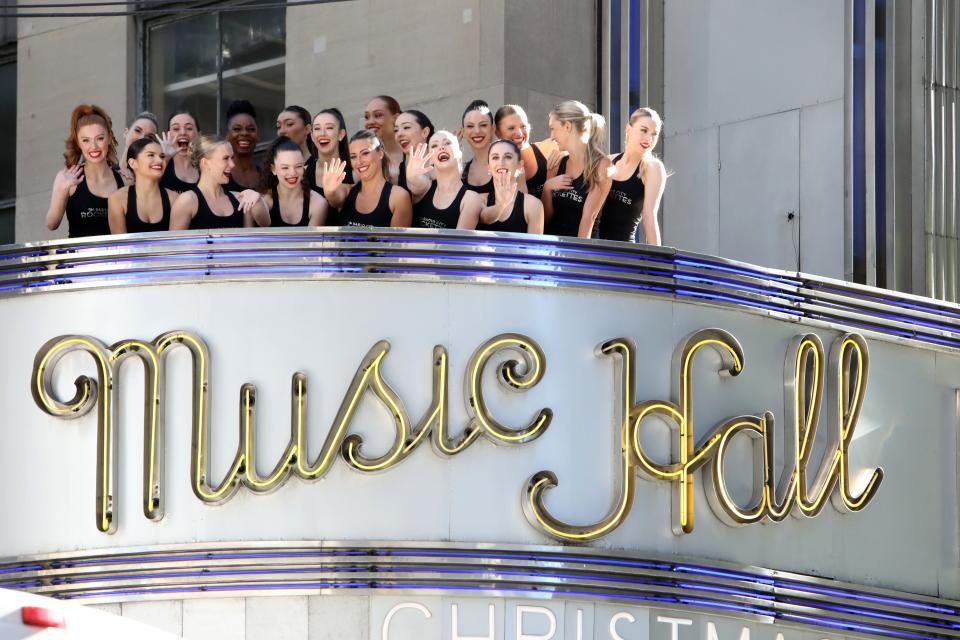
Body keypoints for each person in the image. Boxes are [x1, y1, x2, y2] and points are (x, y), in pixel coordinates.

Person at [46, 104, 127, 238]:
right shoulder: (66, 177)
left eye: (100, 138)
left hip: (116, 257)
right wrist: (64, 188)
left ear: (109, 137)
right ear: (78, 142)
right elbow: (51, 224)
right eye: (86, 140)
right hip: (79, 258)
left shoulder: (125, 179)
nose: (93, 147)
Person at [542, 100, 612, 238]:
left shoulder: (602, 166)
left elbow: (588, 219)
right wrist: (547, 188)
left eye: (553, 129)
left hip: (580, 248)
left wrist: (578, 256)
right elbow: (546, 219)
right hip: (553, 249)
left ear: (567, 126)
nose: (551, 137)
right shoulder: (557, 162)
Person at [597, 107, 666, 245]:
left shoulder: (652, 168)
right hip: (595, 249)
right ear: (628, 129)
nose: (649, 139)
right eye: (644, 130)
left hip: (624, 255)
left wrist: (659, 261)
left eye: (654, 134)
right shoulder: (608, 161)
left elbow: (649, 217)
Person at [169, 135, 269, 230]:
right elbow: (173, 245)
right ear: (205, 163)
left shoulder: (240, 199)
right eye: (226, 158)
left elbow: (265, 224)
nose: (232, 164)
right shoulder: (187, 201)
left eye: (232, 158)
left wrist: (257, 198)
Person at [322, 129, 412, 228]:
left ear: (380, 153)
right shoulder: (347, 191)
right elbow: (334, 199)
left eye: (365, 153)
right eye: (353, 157)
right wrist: (329, 191)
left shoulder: (399, 197)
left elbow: (397, 242)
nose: (359, 162)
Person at [459, 139, 543, 234]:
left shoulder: (533, 205)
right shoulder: (479, 200)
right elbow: (484, 218)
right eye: (495, 157)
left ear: (520, 165)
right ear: (489, 167)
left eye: (508, 157)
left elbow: (534, 247)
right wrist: (501, 206)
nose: (501, 163)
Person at [405, 131, 483, 230]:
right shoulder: (425, 189)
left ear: (459, 152)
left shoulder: (471, 199)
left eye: (447, 143)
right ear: (430, 159)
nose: (441, 147)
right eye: (434, 145)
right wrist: (411, 175)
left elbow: (459, 242)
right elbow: (415, 179)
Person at [107, 136, 177, 234]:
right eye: (151, 155)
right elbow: (120, 246)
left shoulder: (175, 199)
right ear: (132, 163)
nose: (160, 160)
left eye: (162, 156)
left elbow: (177, 244)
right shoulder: (117, 199)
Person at [493, 104, 562, 199]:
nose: (519, 133)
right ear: (497, 132)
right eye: (511, 128)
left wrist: (565, 153)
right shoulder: (494, 165)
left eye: (523, 126)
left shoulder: (549, 148)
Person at [257, 136, 328, 227]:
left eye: (298, 166)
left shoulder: (318, 203)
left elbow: (312, 241)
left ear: (304, 166)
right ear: (273, 169)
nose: (292, 173)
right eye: (285, 167)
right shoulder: (265, 199)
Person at [305, 107, 353, 195]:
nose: (322, 133)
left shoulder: (355, 173)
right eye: (317, 128)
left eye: (329, 128)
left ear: (341, 134)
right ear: (312, 136)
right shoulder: (302, 173)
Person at [363, 95, 403, 185]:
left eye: (378, 115)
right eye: (366, 117)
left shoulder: (415, 152)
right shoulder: (364, 157)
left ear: (396, 118)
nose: (370, 122)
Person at [394, 109, 434, 192]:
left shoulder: (441, 163)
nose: (399, 134)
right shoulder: (400, 170)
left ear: (425, 132)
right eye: (396, 130)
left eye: (406, 127)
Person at [460, 99, 494, 195]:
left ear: (492, 128)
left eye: (483, 125)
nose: (477, 131)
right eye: (470, 126)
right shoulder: (461, 172)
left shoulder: (507, 163)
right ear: (463, 132)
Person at [160, 110, 200, 193]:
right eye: (176, 129)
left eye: (189, 128)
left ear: (199, 135)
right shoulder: (160, 164)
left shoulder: (207, 166)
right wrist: (165, 158)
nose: (182, 133)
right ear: (169, 135)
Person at [224, 100, 260, 191]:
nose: (244, 133)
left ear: (257, 135)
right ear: (227, 135)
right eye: (237, 129)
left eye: (251, 129)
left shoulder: (266, 176)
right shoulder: (219, 175)